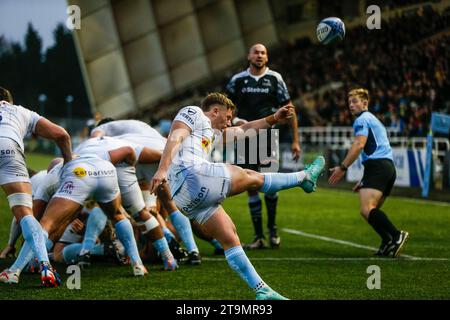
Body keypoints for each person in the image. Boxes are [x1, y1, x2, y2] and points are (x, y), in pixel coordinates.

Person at [150, 92, 325, 300]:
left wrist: (274, 119)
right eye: (227, 116)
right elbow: (175, 136)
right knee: (251, 176)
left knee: (230, 237)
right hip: (191, 173)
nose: (229, 122)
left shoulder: (211, 134)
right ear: (215, 111)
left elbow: (244, 129)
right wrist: (162, 169)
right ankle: (303, 177)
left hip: (185, 200)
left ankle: (262, 290)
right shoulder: (194, 113)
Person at [92, 119, 204, 264]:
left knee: (134, 210)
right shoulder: (141, 126)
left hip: (135, 156)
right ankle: (193, 251)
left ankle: (160, 244)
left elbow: (95, 141)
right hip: (162, 153)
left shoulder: (105, 133)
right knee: (169, 204)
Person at [226, 43, 301, 249]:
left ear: (266, 58)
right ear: (248, 56)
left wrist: (295, 140)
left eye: (263, 53)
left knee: (271, 184)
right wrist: (234, 121)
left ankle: (272, 229)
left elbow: (290, 108)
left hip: (268, 137)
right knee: (250, 185)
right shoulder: (237, 81)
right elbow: (226, 108)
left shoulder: (275, 79)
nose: (259, 55)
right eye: (256, 52)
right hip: (244, 136)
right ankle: (259, 236)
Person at [0, 86, 72, 287]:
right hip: (9, 149)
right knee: (25, 214)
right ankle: (45, 266)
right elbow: (62, 135)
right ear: (9, 101)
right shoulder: (21, 112)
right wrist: (68, 164)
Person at [328, 88, 409, 257]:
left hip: (378, 167)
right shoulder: (373, 119)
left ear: (365, 103)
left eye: (355, 101)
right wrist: (365, 179)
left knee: (367, 209)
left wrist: (342, 168)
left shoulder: (362, 119)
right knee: (371, 211)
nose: (351, 105)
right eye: (349, 102)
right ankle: (387, 241)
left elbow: (359, 145)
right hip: (386, 168)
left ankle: (396, 235)